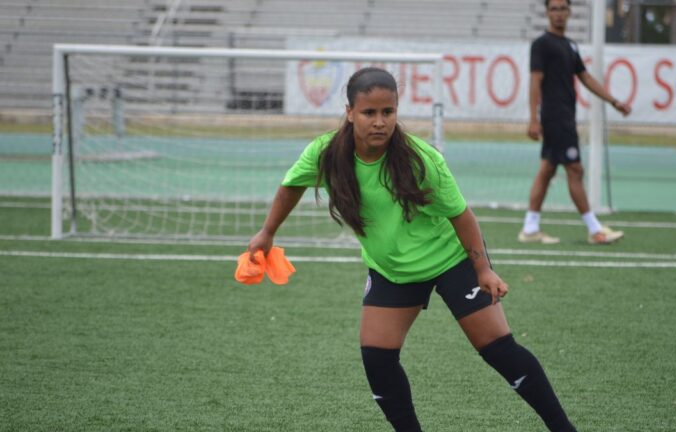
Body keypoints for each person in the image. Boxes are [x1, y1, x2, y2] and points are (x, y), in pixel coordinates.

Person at [248, 67, 578, 432]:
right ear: (349, 112)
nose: (379, 122)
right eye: (369, 112)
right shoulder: (326, 153)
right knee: (377, 358)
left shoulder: (421, 159)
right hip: (392, 270)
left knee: (498, 349)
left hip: (451, 260)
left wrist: (483, 270)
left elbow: (462, 217)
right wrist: (267, 232)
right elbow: (290, 186)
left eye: (387, 112)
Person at [520, 0, 632, 245]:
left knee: (547, 170)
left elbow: (586, 77)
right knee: (575, 169)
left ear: (569, 12)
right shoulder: (542, 44)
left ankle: (530, 227)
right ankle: (595, 230)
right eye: (554, 9)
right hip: (555, 117)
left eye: (562, 9)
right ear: (548, 13)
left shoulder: (569, 45)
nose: (558, 13)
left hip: (565, 117)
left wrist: (614, 101)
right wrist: (532, 118)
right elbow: (535, 81)